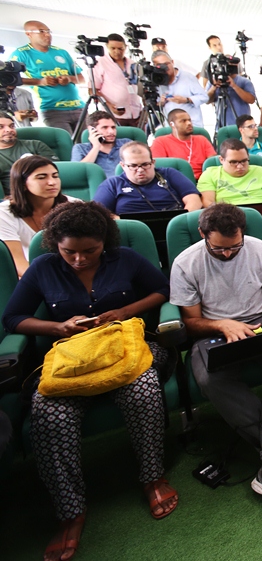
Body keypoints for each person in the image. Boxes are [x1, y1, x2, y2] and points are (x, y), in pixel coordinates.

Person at [2, 202, 177, 559]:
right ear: (55, 243)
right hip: (73, 358)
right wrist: (58, 327)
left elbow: (162, 289)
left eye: (89, 251)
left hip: (129, 348)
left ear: (104, 243)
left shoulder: (125, 258)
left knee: (142, 391)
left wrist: (126, 311)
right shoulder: (43, 267)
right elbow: (13, 318)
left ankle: (152, 477)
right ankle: (71, 511)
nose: (79, 260)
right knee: (50, 413)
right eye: (69, 252)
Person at [171, 203, 262, 508]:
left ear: (243, 234)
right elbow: (190, 322)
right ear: (203, 235)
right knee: (209, 377)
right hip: (213, 332)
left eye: (234, 247)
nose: (228, 254)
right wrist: (221, 324)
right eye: (219, 249)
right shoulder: (185, 263)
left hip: (258, 323)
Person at [0, 155, 81, 276]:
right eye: (42, 177)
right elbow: (16, 262)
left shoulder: (75, 206)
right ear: (22, 183)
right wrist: (49, 281)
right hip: (29, 276)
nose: (52, 182)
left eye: (55, 176)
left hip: (72, 272)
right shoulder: (4, 213)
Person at [9, 20, 84, 135]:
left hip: (80, 108)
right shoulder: (21, 54)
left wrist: (68, 79)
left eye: (49, 32)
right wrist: (40, 81)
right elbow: (10, 79)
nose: (47, 35)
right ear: (29, 34)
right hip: (53, 110)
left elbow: (81, 78)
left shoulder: (62, 52)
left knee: (87, 144)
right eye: (41, 32)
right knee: (67, 145)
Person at [93, 142, 202, 216]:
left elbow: (194, 199)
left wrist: (182, 220)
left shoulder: (169, 174)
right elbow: (99, 213)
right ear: (123, 166)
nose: (140, 170)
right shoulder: (112, 184)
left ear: (153, 163)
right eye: (133, 166)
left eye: (145, 164)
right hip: (130, 232)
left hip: (174, 227)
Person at [196, 139, 262, 206]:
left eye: (244, 161)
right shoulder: (210, 174)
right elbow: (208, 203)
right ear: (221, 160)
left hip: (260, 217)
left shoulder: (261, 172)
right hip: (224, 218)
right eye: (233, 162)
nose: (240, 166)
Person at [92, 33, 143, 127]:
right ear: (107, 46)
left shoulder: (132, 63)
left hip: (136, 114)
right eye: (113, 48)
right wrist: (109, 106)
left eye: (120, 49)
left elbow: (140, 85)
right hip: (114, 115)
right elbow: (93, 90)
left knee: (139, 141)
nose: (117, 51)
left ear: (126, 47)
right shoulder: (100, 63)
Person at [0, 111, 57, 195]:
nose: (9, 130)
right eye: (1, 127)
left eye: (11, 126)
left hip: (48, 194)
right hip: (14, 200)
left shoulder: (35, 145)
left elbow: (55, 171)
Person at [150, 109, 216, 178]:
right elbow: (159, 168)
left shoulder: (202, 139)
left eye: (189, 120)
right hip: (175, 181)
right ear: (172, 124)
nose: (189, 123)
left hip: (203, 180)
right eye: (183, 121)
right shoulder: (160, 142)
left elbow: (212, 163)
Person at [70, 111, 135, 179]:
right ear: (91, 129)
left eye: (113, 127)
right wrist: (96, 147)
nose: (111, 132)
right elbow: (77, 173)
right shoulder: (80, 148)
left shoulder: (126, 144)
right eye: (105, 127)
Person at [152, 51, 208, 127]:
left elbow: (204, 97)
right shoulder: (157, 81)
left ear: (172, 62)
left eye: (166, 64)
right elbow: (154, 105)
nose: (165, 68)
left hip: (191, 126)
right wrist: (161, 103)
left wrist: (186, 100)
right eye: (160, 66)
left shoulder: (187, 77)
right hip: (171, 128)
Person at [207, 57, 256, 130]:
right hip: (222, 125)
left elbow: (251, 100)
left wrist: (234, 86)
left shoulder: (244, 82)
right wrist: (214, 87)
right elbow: (206, 100)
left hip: (241, 126)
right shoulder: (213, 81)